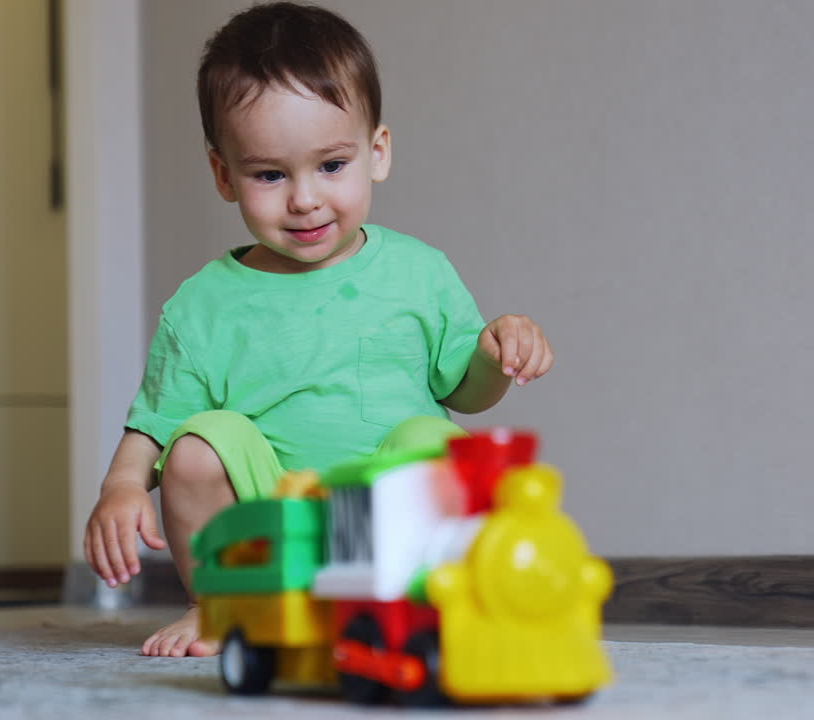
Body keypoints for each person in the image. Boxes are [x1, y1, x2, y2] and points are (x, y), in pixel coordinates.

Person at [83, 1, 554, 658]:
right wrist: (122, 487)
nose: (303, 198)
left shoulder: (419, 273)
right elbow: (155, 424)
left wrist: (495, 349)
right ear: (225, 174)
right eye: (270, 174)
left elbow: (468, 390)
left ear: (377, 153)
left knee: (433, 439)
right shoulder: (203, 304)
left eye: (331, 166)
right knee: (196, 446)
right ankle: (223, 605)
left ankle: (424, 598)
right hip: (270, 531)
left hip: (386, 531)